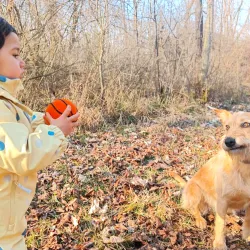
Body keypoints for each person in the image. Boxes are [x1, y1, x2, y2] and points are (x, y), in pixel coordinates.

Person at [0, 17, 79, 249]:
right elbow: (22, 153)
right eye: (15, 55)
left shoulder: (7, 103)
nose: (22, 62)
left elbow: (20, 126)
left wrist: (47, 121)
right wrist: (55, 132)